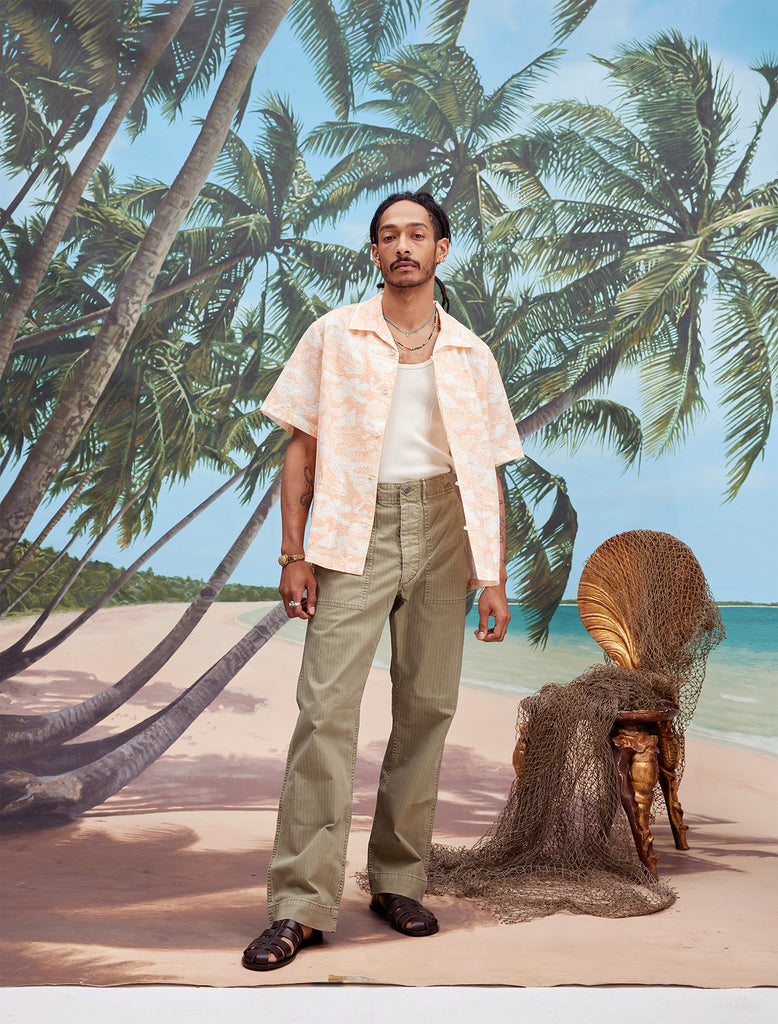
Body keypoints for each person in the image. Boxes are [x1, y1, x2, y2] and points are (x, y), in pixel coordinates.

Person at [241, 191, 524, 971]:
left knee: (426, 708)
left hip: (442, 528)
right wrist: (293, 554)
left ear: (442, 250)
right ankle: (300, 905)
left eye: (418, 235)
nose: (404, 247)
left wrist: (491, 576)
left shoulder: (471, 354)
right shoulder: (335, 335)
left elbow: (488, 476)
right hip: (349, 528)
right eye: (389, 236)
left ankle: (398, 881)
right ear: (374, 254)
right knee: (325, 709)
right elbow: (299, 450)